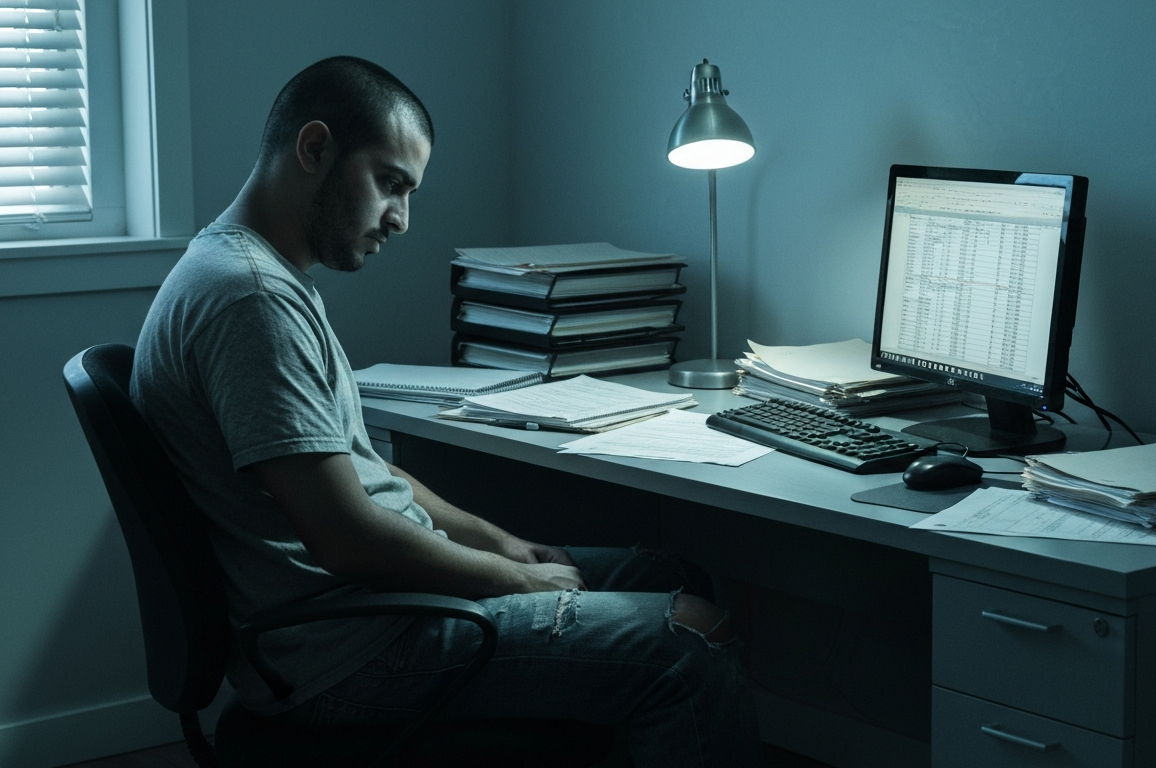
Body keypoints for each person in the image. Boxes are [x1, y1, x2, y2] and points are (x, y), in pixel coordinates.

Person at [131, 56, 758, 766]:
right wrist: (519, 580)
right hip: (351, 651)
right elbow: (347, 538)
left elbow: (364, 471)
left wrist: (498, 542)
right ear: (314, 149)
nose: (400, 219)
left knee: (666, 575)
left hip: (362, 613)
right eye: (390, 184)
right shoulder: (250, 299)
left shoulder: (251, 273)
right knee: (691, 642)